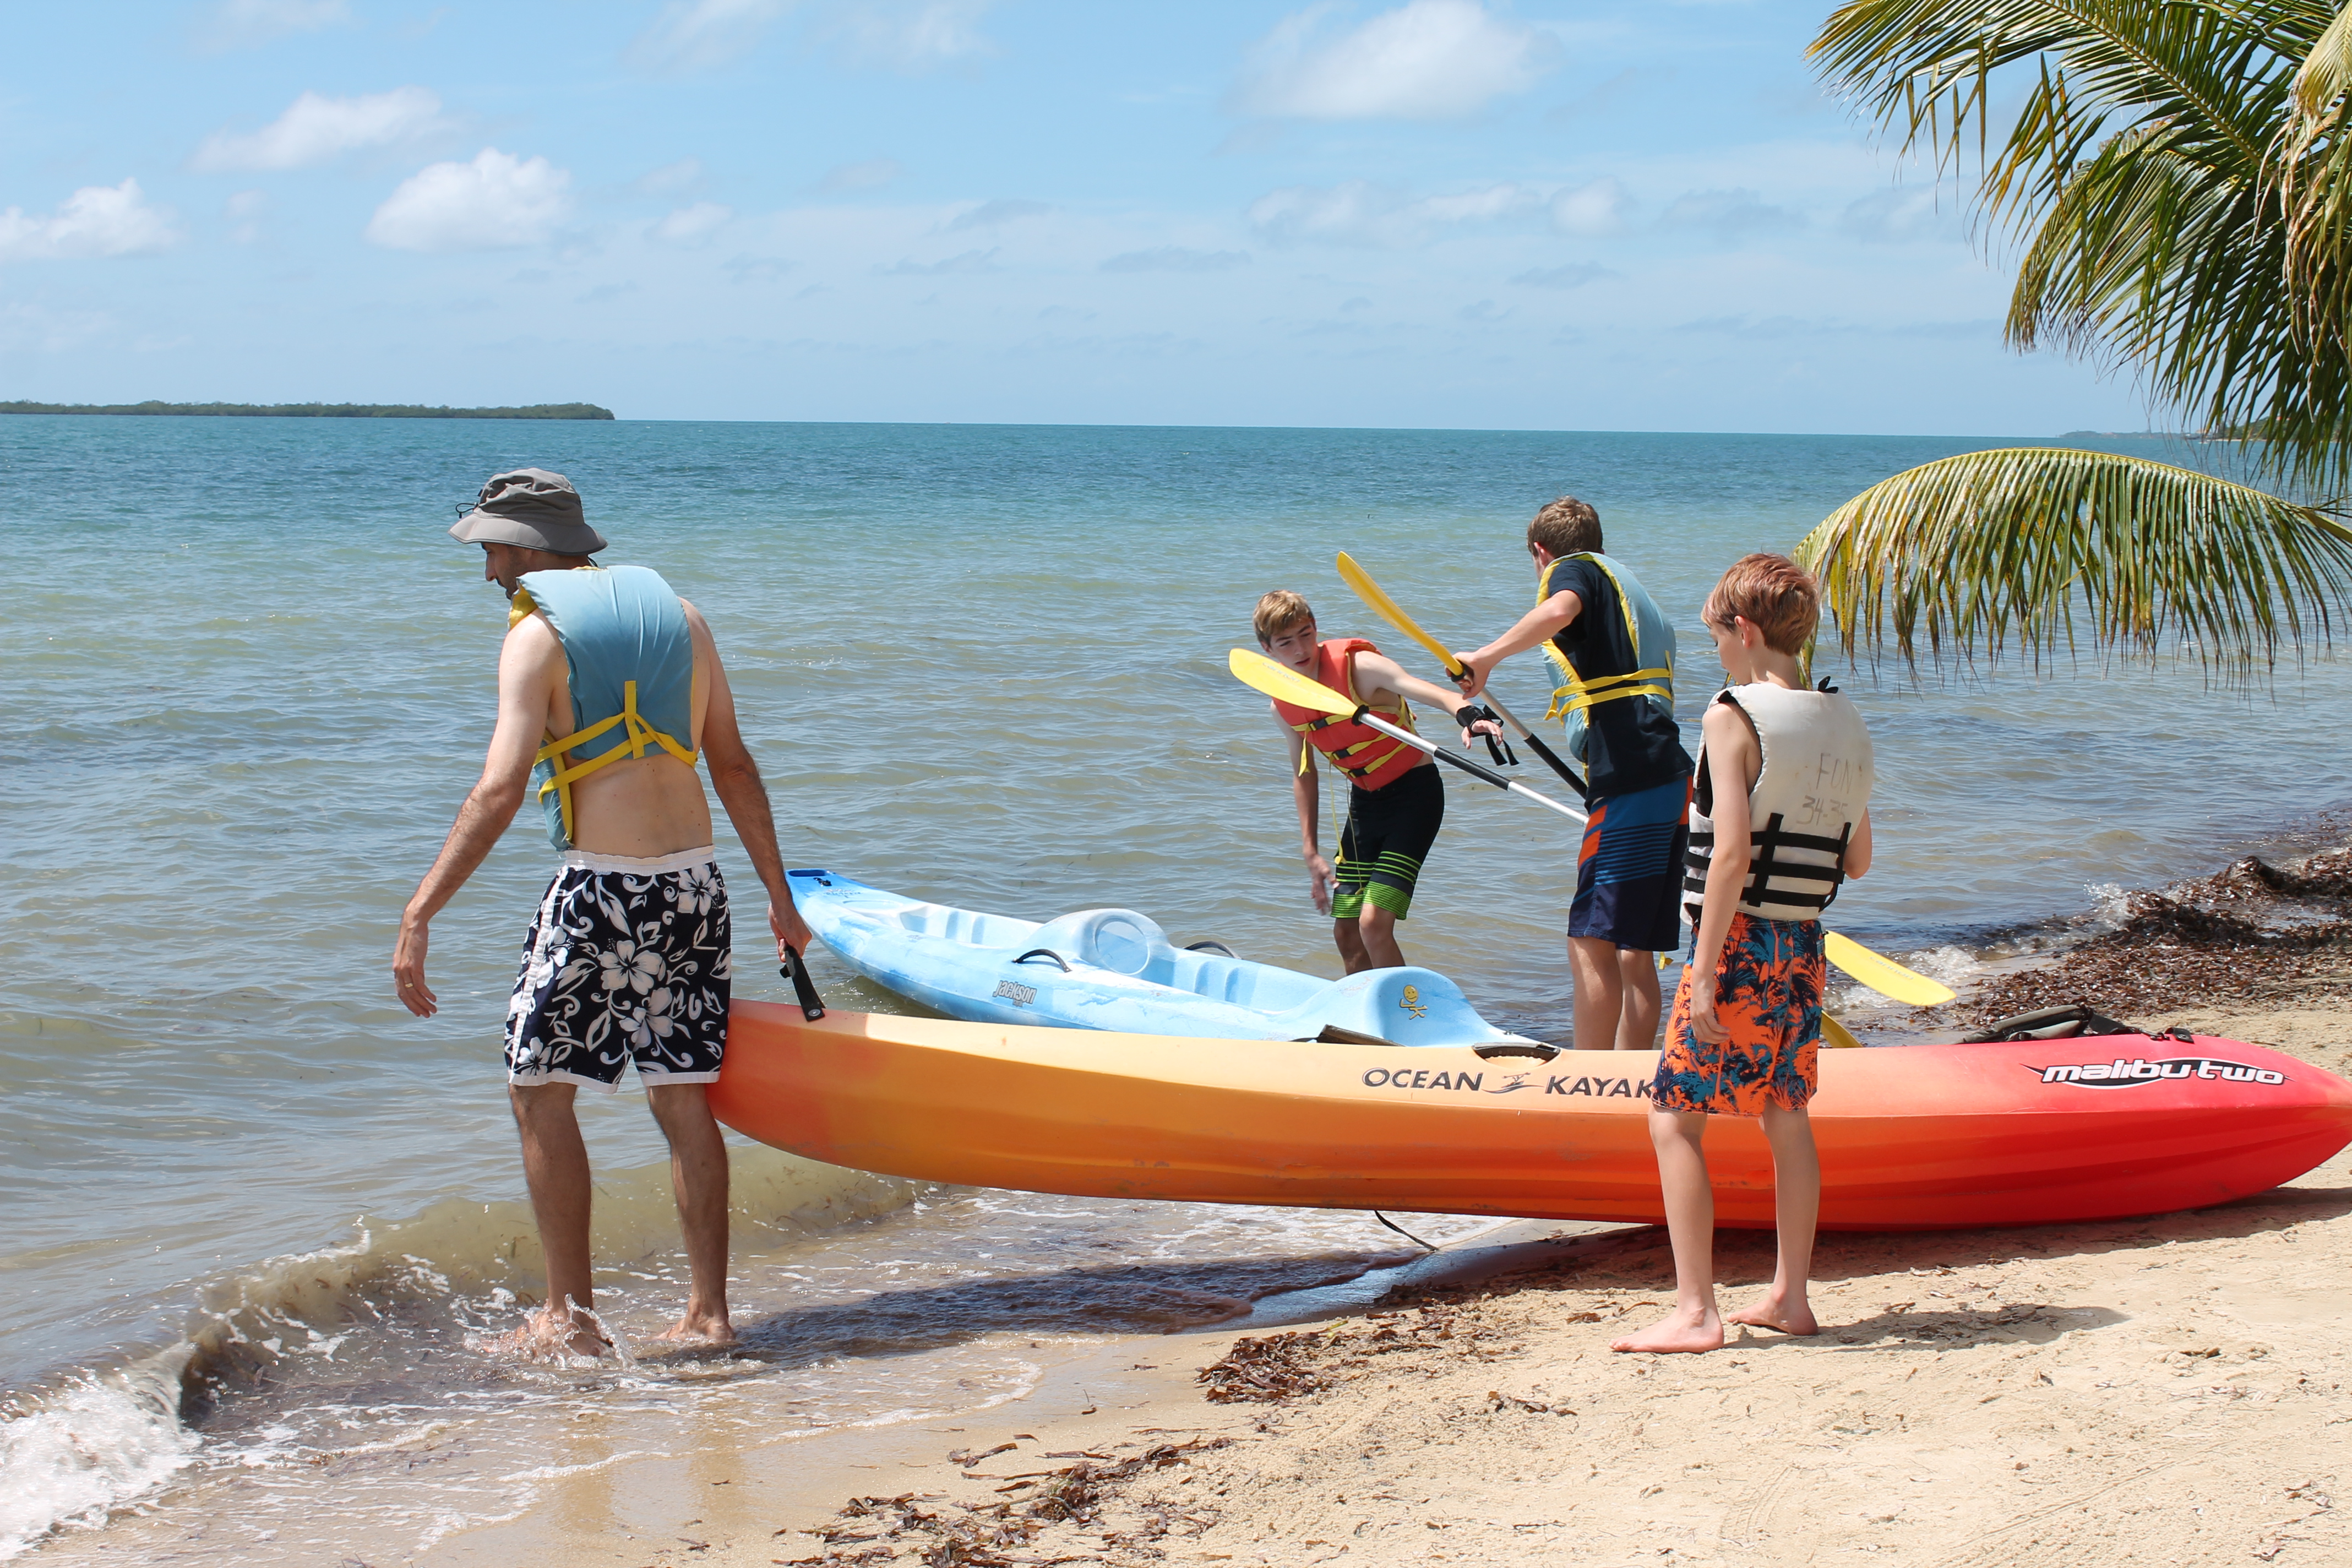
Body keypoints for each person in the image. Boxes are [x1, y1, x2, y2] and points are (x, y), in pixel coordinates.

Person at [391, 467, 814, 1358]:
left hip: (603, 892)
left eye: (491, 551)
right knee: (682, 1094)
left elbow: (499, 790)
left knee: (537, 1089)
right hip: (694, 888)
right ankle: (708, 1316)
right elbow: (733, 765)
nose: (488, 571)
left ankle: (570, 1319)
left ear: (526, 547)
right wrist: (780, 899)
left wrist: (420, 911)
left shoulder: (535, 639)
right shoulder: (684, 620)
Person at [1611, 553, 1874, 1355]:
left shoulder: (1732, 716)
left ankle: (1696, 1312)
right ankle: (1791, 1297)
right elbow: (1858, 859)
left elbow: (1729, 856)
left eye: (1718, 637)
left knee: (1674, 1121)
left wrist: (1702, 971)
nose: (1718, 652)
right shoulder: (1844, 717)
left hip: (1737, 945)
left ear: (1746, 629)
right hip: (1803, 945)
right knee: (1785, 1115)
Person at [1451, 496, 1694, 1050]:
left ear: (1540, 552)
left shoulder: (1572, 569)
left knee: (1590, 939)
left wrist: (1486, 657)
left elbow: (1560, 610)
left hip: (1631, 776)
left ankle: (1588, 1077)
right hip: (1668, 775)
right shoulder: (1624, 584)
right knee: (1633, 950)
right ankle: (1628, 1078)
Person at [1255, 590, 1495, 972]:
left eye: (1306, 634)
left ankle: (1408, 1006)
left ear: (1315, 628)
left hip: (1415, 797)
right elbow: (1305, 773)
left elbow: (1432, 692)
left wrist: (1468, 715)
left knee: (1373, 924)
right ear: (1267, 649)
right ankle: (1365, 1008)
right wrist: (1310, 850)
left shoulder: (1360, 668)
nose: (1300, 649)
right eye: (1286, 643)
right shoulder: (1282, 706)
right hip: (1365, 806)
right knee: (1347, 932)